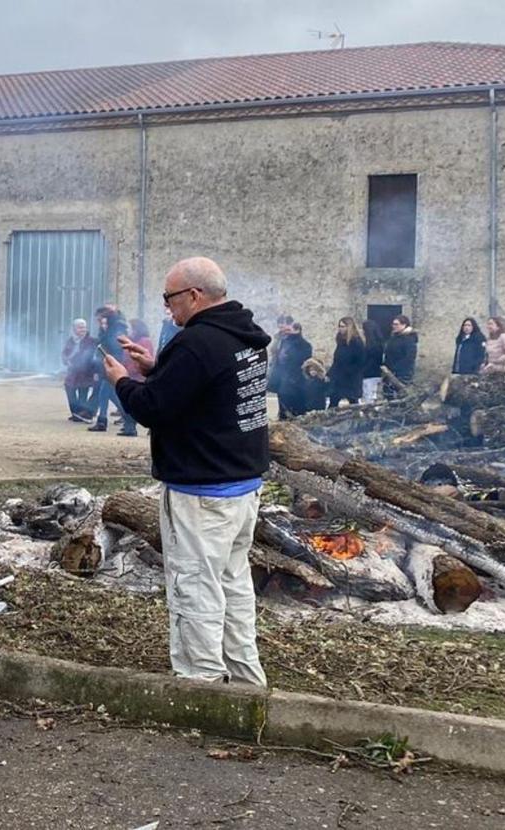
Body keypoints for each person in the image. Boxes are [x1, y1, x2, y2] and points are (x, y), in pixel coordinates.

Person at [104, 256, 269, 686]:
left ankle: (202, 685)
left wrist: (122, 380)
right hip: (242, 488)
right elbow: (208, 390)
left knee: (195, 588)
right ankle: (245, 678)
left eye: (169, 298)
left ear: (194, 296)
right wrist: (159, 370)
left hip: (202, 494)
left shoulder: (196, 343)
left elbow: (152, 409)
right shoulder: (243, 335)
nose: (167, 309)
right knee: (233, 588)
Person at [89, 306, 136, 436]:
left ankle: (104, 421)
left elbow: (112, 345)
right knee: (110, 395)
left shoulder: (116, 326)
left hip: (113, 363)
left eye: (100, 318)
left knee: (105, 394)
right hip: (108, 364)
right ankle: (129, 421)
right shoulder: (109, 327)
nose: (98, 321)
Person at [62, 318, 97, 421]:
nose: (83, 329)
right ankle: (75, 412)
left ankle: (80, 414)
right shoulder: (70, 340)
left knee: (83, 394)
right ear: (74, 328)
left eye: (84, 327)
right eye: (80, 327)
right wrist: (66, 360)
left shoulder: (91, 341)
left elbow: (93, 356)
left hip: (85, 373)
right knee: (70, 391)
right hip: (72, 373)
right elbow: (64, 353)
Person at [275, 321, 312, 419]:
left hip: (296, 382)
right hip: (283, 381)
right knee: (284, 410)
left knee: (297, 411)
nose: (286, 332)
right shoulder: (284, 342)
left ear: (297, 330)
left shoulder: (305, 345)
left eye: (289, 330)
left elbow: (303, 363)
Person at [327, 316, 366, 407]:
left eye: (343, 326)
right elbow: (336, 361)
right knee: (333, 401)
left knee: (353, 402)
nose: (340, 329)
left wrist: (349, 371)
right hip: (339, 378)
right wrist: (330, 373)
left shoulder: (356, 342)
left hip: (351, 378)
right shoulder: (341, 342)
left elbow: (360, 362)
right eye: (340, 326)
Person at [381, 315, 418, 398]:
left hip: (402, 373)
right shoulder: (394, 337)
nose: (394, 326)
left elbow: (410, 357)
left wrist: (396, 368)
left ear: (404, 325)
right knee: (388, 393)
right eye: (393, 324)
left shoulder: (409, 339)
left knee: (401, 394)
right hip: (389, 371)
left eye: (396, 324)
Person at [360, 319, 386, 402]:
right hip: (376, 373)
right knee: (372, 395)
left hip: (368, 374)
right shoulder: (380, 343)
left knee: (368, 396)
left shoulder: (370, 345)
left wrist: (362, 371)